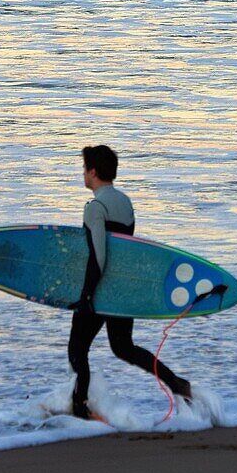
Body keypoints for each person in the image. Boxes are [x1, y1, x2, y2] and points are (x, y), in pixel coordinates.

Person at [67, 144, 192, 419]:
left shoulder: (95, 207)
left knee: (77, 350)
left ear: (94, 171)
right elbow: (127, 251)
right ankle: (179, 384)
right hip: (123, 289)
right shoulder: (125, 203)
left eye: (85, 169)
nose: (83, 174)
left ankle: (80, 409)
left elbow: (99, 256)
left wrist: (87, 296)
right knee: (124, 348)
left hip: (101, 291)